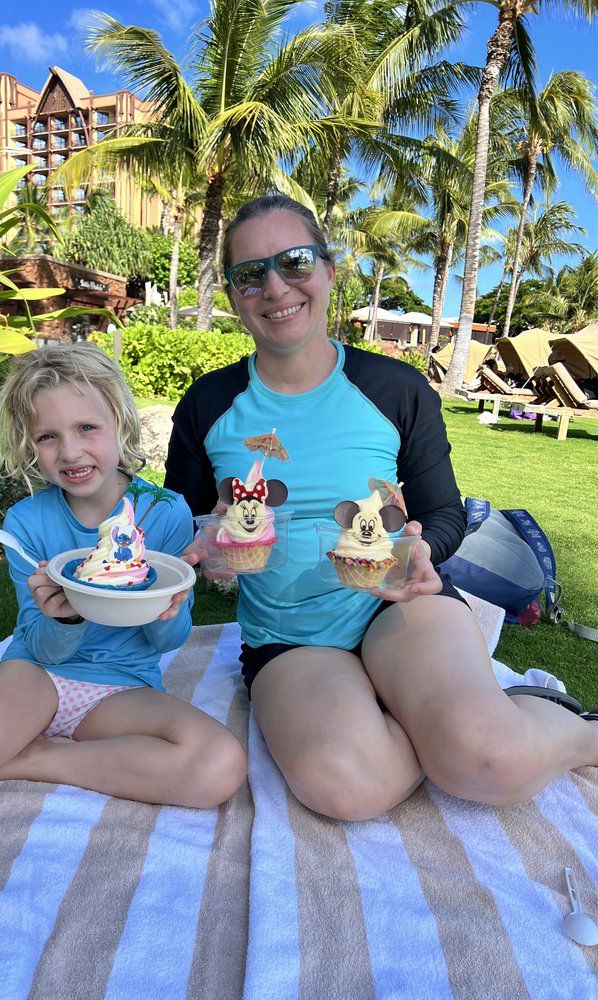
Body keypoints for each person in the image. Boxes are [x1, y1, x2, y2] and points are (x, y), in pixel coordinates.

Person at [165, 194, 598, 822]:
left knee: (491, 761)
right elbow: (186, 522)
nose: (275, 286)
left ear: (328, 270)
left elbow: (445, 514)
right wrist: (204, 551)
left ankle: (569, 726)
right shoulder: (208, 404)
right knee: (347, 787)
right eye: (249, 273)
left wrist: (423, 549)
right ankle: (424, 721)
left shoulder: (393, 388)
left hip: (398, 606)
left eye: (294, 262)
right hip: (288, 640)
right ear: (233, 295)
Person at [0, 343, 246, 817]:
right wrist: (64, 618)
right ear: (28, 443)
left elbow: (165, 640)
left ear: (120, 424)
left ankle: (34, 757)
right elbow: (41, 646)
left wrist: (171, 606)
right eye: (47, 437)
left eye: (87, 428)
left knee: (218, 765)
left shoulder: (163, 512)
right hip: (35, 677)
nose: (71, 452)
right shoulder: (27, 523)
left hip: (122, 686)